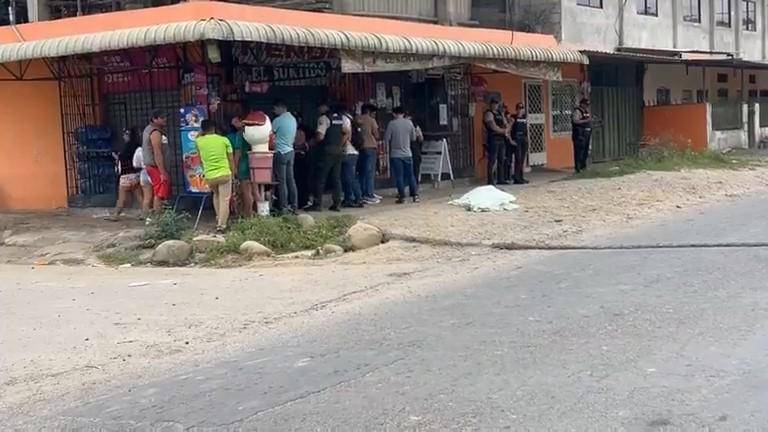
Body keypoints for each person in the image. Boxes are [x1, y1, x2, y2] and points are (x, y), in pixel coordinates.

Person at [306, 103, 350, 212]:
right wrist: (340, 143)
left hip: (326, 151)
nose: (318, 109)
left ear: (324, 107)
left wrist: (312, 142)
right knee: (336, 178)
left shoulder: (324, 118)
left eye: (319, 107)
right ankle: (337, 203)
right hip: (338, 151)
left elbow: (320, 136)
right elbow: (346, 132)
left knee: (320, 178)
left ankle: (317, 204)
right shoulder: (340, 118)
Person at [196, 119, 234, 233]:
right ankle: (222, 226)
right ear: (214, 128)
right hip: (224, 174)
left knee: (216, 196)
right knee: (225, 199)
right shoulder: (224, 140)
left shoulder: (199, 141)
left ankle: (219, 220)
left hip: (210, 175)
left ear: (202, 129)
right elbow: (230, 159)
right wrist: (233, 172)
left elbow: (200, 159)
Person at [384, 106, 419, 204]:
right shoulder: (409, 123)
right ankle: (415, 196)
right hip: (408, 153)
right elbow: (413, 138)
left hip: (396, 154)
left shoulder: (392, 124)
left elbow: (387, 138)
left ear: (394, 114)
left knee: (399, 176)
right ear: (403, 113)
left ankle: (402, 197)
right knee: (410, 175)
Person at [107, 128, 142, 220]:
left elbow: (121, 160)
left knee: (121, 197)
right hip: (135, 174)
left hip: (125, 175)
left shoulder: (125, 149)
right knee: (139, 196)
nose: (123, 136)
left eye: (125, 135)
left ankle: (116, 215)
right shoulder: (137, 147)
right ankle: (146, 213)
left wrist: (116, 157)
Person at [272, 100, 298, 214]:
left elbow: (270, 136)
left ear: (280, 108)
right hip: (291, 152)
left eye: (275, 109)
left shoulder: (278, 120)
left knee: (281, 181)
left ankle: (283, 207)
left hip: (280, 152)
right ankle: (294, 205)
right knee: (291, 180)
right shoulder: (293, 119)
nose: (274, 111)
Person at [142, 110, 171, 211]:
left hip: (152, 166)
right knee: (160, 193)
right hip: (155, 167)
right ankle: (158, 220)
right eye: (162, 118)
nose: (165, 120)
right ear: (154, 119)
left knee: (155, 193)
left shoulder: (148, 130)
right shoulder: (155, 132)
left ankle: (149, 217)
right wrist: (162, 172)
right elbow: (157, 153)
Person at [229, 116, 258, 218]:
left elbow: (238, 152)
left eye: (236, 122)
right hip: (254, 163)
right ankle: (259, 212)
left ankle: (248, 215)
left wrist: (235, 167)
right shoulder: (254, 133)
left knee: (246, 191)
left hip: (243, 165)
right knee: (255, 190)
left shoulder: (240, 134)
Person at [357, 104, 381, 204]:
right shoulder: (371, 120)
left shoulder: (357, 119)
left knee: (362, 172)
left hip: (361, 148)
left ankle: (362, 193)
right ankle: (369, 194)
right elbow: (376, 134)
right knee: (370, 172)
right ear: (368, 111)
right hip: (370, 146)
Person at [341, 107, 364, 208]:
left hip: (348, 151)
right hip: (354, 151)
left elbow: (347, 134)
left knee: (349, 177)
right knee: (347, 177)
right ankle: (348, 199)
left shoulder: (344, 119)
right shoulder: (352, 120)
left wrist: (339, 145)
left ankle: (358, 198)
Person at [484, 99, 509, 186]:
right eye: (494, 104)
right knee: (492, 160)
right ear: (491, 105)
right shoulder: (489, 113)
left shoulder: (500, 113)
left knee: (501, 159)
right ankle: (490, 180)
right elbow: (492, 126)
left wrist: (506, 128)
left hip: (501, 139)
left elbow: (505, 123)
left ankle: (500, 179)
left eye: (496, 104)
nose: (495, 106)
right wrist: (502, 131)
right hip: (493, 138)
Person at [510, 102, 530, 185]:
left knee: (522, 159)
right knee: (518, 159)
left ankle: (521, 177)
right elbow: (509, 128)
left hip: (523, 139)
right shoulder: (513, 118)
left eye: (522, 108)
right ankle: (516, 178)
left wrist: (527, 139)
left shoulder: (525, 118)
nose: (520, 110)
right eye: (519, 108)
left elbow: (526, 129)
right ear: (516, 109)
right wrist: (511, 140)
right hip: (516, 139)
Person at [132, 142, 153, 220]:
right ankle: (157, 215)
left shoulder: (139, 150)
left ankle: (145, 215)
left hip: (144, 172)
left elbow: (135, 164)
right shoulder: (154, 148)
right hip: (154, 171)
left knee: (147, 197)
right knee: (157, 196)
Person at [294, 122, 312, 209]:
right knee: (303, 181)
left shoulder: (297, 132)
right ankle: (304, 201)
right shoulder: (302, 132)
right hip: (303, 157)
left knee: (297, 180)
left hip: (296, 157)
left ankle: (298, 201)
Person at [572, 98, 593, 173]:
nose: (586, 106)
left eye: (587, 105)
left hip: (586, 134)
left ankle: (583, 166)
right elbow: (575, 121)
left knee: (585, 151)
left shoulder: (586, 111)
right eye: (585, 104)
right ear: (582, 104)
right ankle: (578, 168)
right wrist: (586, 121)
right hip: (579, 134)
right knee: (579, 151)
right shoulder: (577, 111)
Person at [406, 113, 425, 183]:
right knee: (414, 169)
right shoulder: (415, 127)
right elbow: (421, 139)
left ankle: (414, 184)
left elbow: (421, 138)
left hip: (412, 150)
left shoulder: (416, 127)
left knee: (414, 169)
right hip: (411, 150)